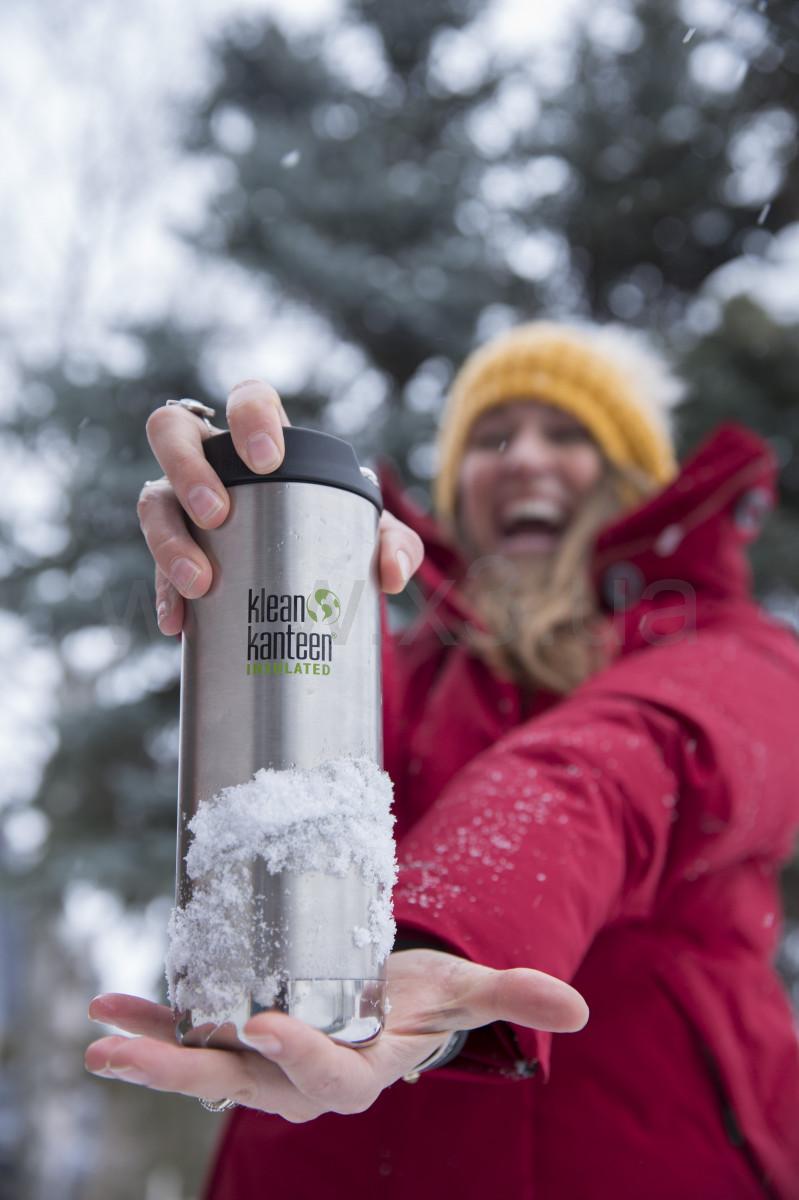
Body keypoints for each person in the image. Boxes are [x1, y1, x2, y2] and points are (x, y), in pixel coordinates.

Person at [85, 320, 799, 1199]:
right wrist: (245, 528)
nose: (524, 457)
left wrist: (436, 940)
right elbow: (285, 762)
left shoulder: (737, 651)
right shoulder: (381, 670)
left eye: (567, 433)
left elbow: (609, 773)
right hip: (325, 1159)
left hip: (651, 1160)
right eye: (493, 437)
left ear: (631, 480)